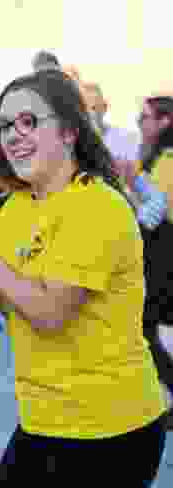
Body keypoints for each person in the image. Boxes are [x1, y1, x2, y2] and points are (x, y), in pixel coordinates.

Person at [0, 69, 167, 488]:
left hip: (111, 430)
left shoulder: (97, 205)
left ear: (70, 130)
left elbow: (50, 313)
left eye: (30, 121)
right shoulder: (15, 208)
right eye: (4, 127)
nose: (13, 135)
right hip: (43, 422)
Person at [116, 95, 173, 426]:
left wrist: (132, 182)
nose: (141, 123)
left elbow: (157, 209)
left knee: (144, 324)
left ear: (165, 121)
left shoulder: (168, 156)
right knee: (145, 325)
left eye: (145, 117)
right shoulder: (155, 154)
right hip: (157, 249)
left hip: (163, 250)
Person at [83, 82, 140, 161]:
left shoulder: (126, 139)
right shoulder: (70, 143)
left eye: (94, 108)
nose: (90, 114)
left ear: (104, 107)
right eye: (84, 110)